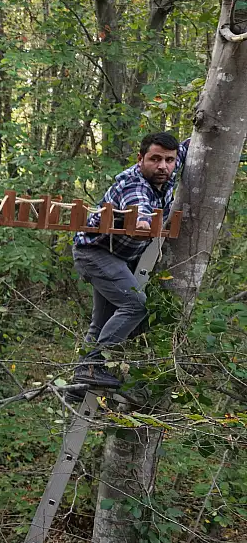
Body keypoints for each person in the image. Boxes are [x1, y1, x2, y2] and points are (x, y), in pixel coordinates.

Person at [71, 131, 187, 387]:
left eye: (169, 160)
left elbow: (189, 147)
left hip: (116, 257)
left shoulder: (168, 169)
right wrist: (144, 221)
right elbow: (140, 207)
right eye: (155, 159)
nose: (163, 166)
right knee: (136, 304)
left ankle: (79, 387)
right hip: (95, 253)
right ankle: (93, 366)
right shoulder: (134, 186)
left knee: (101, 321)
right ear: (140, 159)